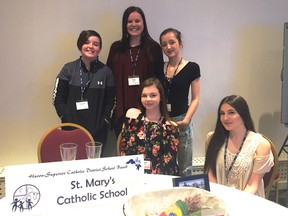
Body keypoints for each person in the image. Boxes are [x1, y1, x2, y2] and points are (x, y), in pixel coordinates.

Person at [52, 30, 115, 150]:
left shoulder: (106, 72)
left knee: (95, 167)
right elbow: (57, 99)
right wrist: (66, 120)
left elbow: (111, 101)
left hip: (98, 132)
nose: (91, 46)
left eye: (95, 44)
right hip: (70, 130)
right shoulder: (68, 69)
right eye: (87, 42)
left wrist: (105, 122)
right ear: (80, 45)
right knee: (72, 165)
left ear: (100, 49)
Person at [106, 6, 163, 138]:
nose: (133, 25)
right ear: (124, 24)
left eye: (137, 21)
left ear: (143, 23)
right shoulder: (116, 48)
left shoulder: (154, 48)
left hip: (149, 109)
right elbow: (109, 78)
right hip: (121, 109)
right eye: (129, 21)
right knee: (124, 150)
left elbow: (159, 80)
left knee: (147, 151)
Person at [204, 95, 274, 197]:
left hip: (248, 201)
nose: (225, 118)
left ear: (243, 114)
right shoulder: (213, 139)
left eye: (231, 112)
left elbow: (252, 186)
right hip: (219, 199)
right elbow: (211, 177)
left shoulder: (261, 145)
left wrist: (235, 205)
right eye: (222, 113)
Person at [158, 28, 201, 175]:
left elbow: (195, 98)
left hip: (183, 122)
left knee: (184, 168)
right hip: (162, 122)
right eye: (164, 44)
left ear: (180, 43)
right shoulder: (159, 68)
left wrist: (186, 120)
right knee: (164, 166)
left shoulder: (192, 68)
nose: (168, 47)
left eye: (172, 42)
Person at [119, 78, 179, 175]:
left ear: (161, 97)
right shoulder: (131, 117)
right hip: (133, 175)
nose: (148, 99)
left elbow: (168, 163)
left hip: (160, 179)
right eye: (144, 96)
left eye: (153, 95)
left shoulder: (171, 127)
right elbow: (124, 151)